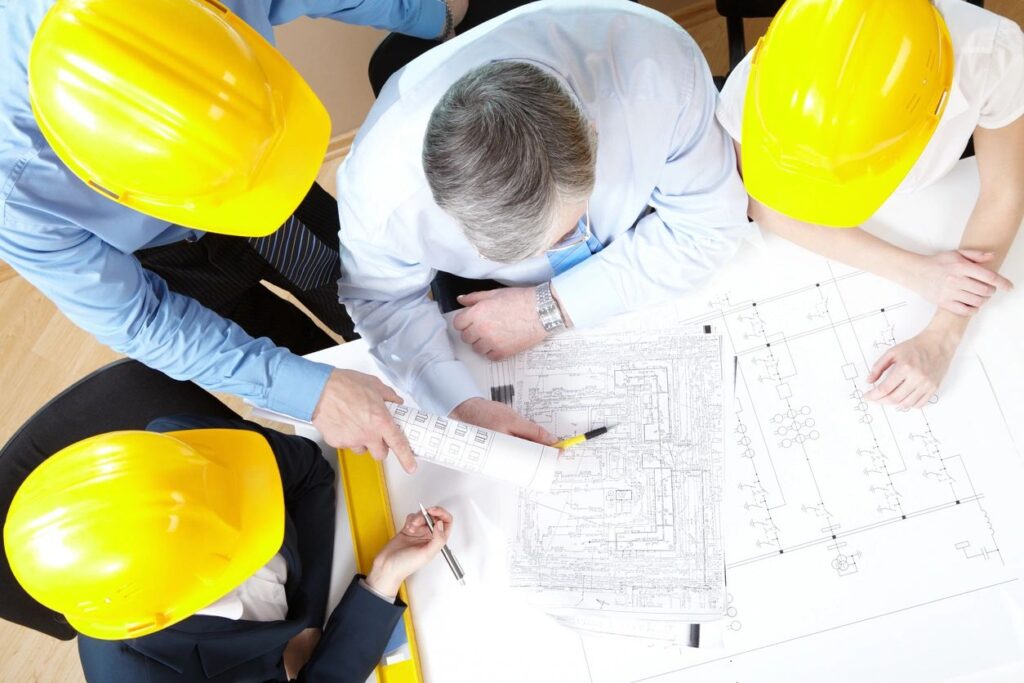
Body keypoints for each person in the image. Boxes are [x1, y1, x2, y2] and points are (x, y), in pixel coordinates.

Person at [0, 0, 468, 471]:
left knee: (360, 297)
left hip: (265, 181)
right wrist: (314, 393)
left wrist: (426, 12)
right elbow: (142, 321)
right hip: (162, 262)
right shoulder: (15, 189)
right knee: (296, 357)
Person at [337, 0, 751, 437]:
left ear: (592, 133)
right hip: (500, 300)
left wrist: (548, 308)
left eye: (567, 230)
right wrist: (462, 406)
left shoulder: (658, 68)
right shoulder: (380, 192)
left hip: (643, 235)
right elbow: (382, 303)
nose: (559, 249)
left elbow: (708, 226)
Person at [716, 0, 1024, 409]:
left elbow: (1004, 192)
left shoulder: (991, 52)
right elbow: (760, 198)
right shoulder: (768, 76)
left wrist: (942, 335)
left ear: (934, 104)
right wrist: (915, 271)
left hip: (928, 208)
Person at [3, 414, 454, 682]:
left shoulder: (185, 445)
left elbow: (310, 472)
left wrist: (307, 624)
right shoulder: (152, 674)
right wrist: (382, 580)